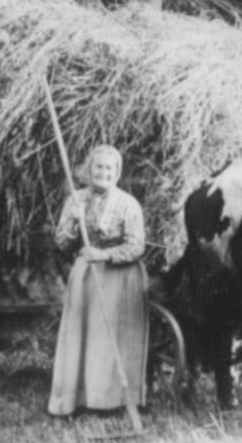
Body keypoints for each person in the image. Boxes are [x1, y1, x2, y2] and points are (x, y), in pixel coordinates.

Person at [47, 144, 149, 418]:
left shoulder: (128, 204)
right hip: (86, 278)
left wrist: (103, 254)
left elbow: (136, 246)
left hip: (121, 278)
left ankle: (115, 401)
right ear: (89, 170)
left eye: (109, 168)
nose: (103, 172)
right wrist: (73, 222)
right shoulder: (76, 200)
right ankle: (79, 400)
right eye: (98, 167)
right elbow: (61, 244)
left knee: (113, 339)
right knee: (84, 336)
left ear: (117, 172)